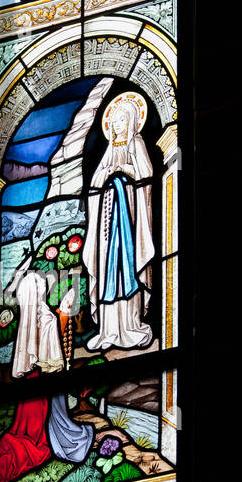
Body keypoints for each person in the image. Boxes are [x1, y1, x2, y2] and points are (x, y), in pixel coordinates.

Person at [82, 92, 154, 351]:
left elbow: (146, 177)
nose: (116, 124)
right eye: (113, 121)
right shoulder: (107, 153)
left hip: (129, 226)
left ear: (133, 121)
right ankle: (109, 330)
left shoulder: (136, 145)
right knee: (106, 272)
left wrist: (124, 172)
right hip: (106, 228)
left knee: (128, 270)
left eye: (121, 119)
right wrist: (106, 177)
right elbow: (93, 189)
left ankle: (131, 326)